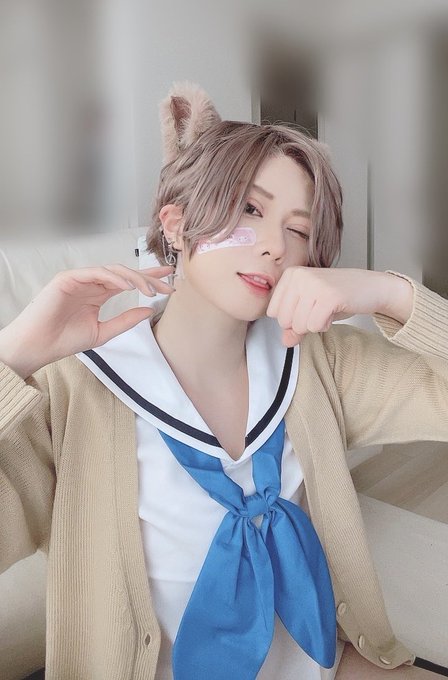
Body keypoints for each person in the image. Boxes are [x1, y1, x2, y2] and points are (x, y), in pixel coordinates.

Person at [1, 80, 447, 680]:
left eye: (299, 230)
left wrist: (389, 293)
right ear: (176, 224)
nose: (275, 248)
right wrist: (14, 355)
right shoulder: (71, 395)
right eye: (250, 210)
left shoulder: (318, 363)